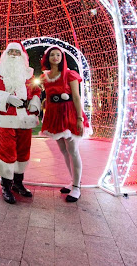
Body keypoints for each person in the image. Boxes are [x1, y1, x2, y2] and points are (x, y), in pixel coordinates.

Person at [0, 42, 41, 204]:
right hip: (5, 117)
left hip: (24, 117)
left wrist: (34, 103)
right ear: (5, 54)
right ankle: (6, 185)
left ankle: (18, 183)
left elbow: (36, 91)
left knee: (23, 150)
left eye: (17, 52)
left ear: (22, 55)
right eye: (11, 52)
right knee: (6, 150)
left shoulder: (28, 73)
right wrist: (8, 98)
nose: (14, 55)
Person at [40, 47, 91, 203]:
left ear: (62, 57)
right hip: (54, 115)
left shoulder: (70, 74)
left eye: (58, 55)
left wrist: (79, 119)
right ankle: (73, 181)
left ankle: (76, 187)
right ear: (47, 58)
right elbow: (46, 97)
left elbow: (76, 96)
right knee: (63, 150)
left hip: (69, 113)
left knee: (73, 150)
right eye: (52, 55)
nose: (55, 57)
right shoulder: (44, 77)